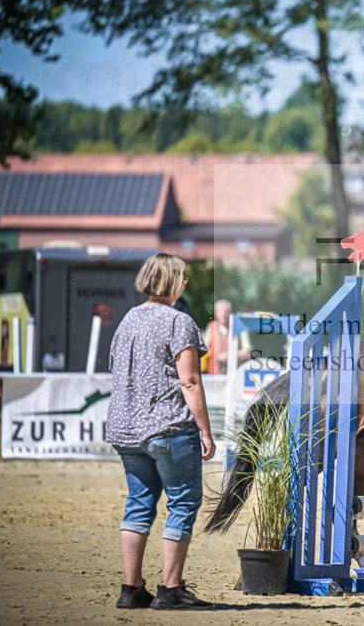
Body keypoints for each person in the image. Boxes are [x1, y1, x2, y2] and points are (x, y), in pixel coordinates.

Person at [105, 253, 216, 610]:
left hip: (126, 429)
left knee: (138, 504)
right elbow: (190, 380)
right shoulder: (179, 321)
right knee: (183, 502)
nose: (185, 283)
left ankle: (132, 589)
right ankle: (170, 590)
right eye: (182, 278)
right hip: (168, 426)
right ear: (173, 283)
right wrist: (205, 430)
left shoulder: (127, 319)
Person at [202, 299, 252, 374]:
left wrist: (229, 356)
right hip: (213, 375)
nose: (223, 314)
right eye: (220, 311)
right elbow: (204, 350)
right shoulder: (211, 327)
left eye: (226, 311)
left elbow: (248, 353)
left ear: (230, 313)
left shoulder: (240, 328)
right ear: (216, 314)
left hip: (234, 375)